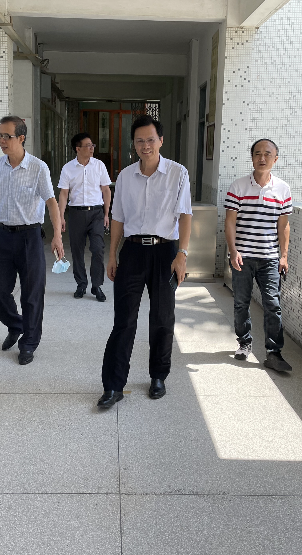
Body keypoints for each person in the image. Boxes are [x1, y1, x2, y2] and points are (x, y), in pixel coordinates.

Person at [97, 115, 192, 409]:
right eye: (139, 141)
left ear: (161, 141)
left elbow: (185, 215)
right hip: (133, 252)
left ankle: (158, 376)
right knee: (124, 320)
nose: (145, 145)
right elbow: (118, 217)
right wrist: (112, 254)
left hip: (166, 252)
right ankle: (113, 385)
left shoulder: (178, 173)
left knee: (162, 318)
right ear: (134, 144)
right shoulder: (125, 176)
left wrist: (182, 254)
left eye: (150, 139)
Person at [0, 115, 64, 365]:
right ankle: (16, 325)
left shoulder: (38, 167)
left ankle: (29, 343)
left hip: (30, 237)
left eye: (6, 136)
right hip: (4, 236)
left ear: (21, 138)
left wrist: (57, 236)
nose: (1, 140)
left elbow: (51, 203)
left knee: (31, 294)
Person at [224, 138, 293, 372]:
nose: (262, 158)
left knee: (273, 304)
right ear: (252, 157)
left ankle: (274, 353)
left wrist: (283, 256)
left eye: (267, 154)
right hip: (242, 257)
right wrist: (233, 251)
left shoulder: (283, 189)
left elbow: (283, 226)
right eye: (257, 154)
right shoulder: (238, 187)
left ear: (275, 158)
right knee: (241, 303)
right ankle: (244, 342)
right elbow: (230, 222)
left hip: (270, 258)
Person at [58, 132, 111, 301]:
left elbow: (106, 190)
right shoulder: (68, 168)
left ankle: (97, 286)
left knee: (98, 249)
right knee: (77, 250)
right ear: (78, 148)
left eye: (92, 145)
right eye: (88, 145)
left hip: (96, 213)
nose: (91, 148)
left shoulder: (99, 166)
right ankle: (81, 284)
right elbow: (64, 194)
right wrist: (61, 217)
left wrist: (106, 213)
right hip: (76, 214)